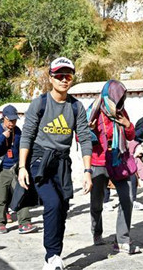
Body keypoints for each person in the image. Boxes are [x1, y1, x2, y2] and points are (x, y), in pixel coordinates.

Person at [18, 57, 93, 270]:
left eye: (67, 76)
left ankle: (55, 254)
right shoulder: (40, 103)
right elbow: (26, 135)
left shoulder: (76, 107)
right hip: (39, 160)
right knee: (52, 203)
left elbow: (84, 138)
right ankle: (51, 256)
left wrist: (87, 171)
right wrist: (22, 167)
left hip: (62, 162)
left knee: (62, 208)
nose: (63, 80)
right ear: (51, 78)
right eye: (59, 76)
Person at [87, 80, 141, 254]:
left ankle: (122, 240)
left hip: (119, 161)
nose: (119, 101)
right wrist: (90, 130)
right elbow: (81, 138)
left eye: (121, 97)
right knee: (97, 202)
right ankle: (97, 232)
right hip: (99, 162)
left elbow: (131, 136)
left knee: (127, 198)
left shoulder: (121, 112)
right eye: (117, 97)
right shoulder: (93, 112)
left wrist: (127, 125)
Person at [0, 105, 36, 234]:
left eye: (14, 120)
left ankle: (24, 223)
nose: (12, 123)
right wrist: (3, 136)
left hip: (16, 168)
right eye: (10, 120)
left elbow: (23, 148)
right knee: (1, 198)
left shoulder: (18, 131)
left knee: (21, 194)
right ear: (4, 118)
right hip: (2, 169)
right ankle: (1, 223)